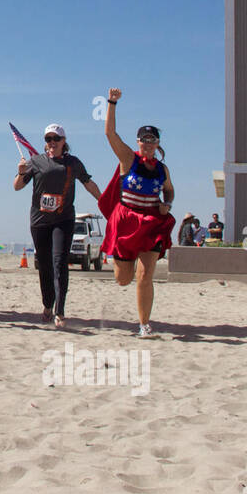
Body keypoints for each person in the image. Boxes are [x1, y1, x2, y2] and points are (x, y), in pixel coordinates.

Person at [99, 88, 176, 338]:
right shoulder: (128, 159)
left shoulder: (162, 169)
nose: (148, 144)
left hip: (151, 222)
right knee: (123, 279)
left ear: (157, 143)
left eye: (152, 140)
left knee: (145, 276)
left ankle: (144, 325)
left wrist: (167, 203)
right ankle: (120, 264)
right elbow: (110, 133)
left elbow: (169, 191)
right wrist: (112, 102)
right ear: (138, 142)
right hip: (126, 221)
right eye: (144, 140)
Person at [14, 123, 101, 328]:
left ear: (64, 141)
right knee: (44, 265)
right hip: (39, 221)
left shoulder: (73, 163)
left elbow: (88, 183)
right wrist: (20, 173)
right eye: (48, 139)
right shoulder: (35, 162)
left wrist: (104, 202)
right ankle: (47, 305)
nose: (52, 143)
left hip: (63, 219)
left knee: (60, 262)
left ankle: (60, 311)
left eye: (56, 139)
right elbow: (17, 186)